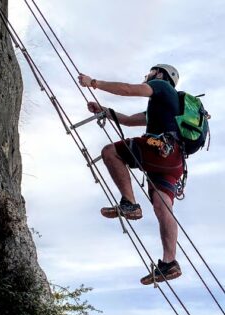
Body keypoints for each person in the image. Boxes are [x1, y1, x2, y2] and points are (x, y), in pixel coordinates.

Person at [78, 64, 184, 286]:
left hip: (160, 149)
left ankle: (130, 203)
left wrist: (94, 83)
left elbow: (127, 89)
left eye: (150, 72)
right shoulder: (165, 107)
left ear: (160, 74)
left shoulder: (161, 86)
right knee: (163, 204)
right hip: (174, 162)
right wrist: (104, 110)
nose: (147, 76)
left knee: (110, 152)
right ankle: (169, 262)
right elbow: (127, 120)